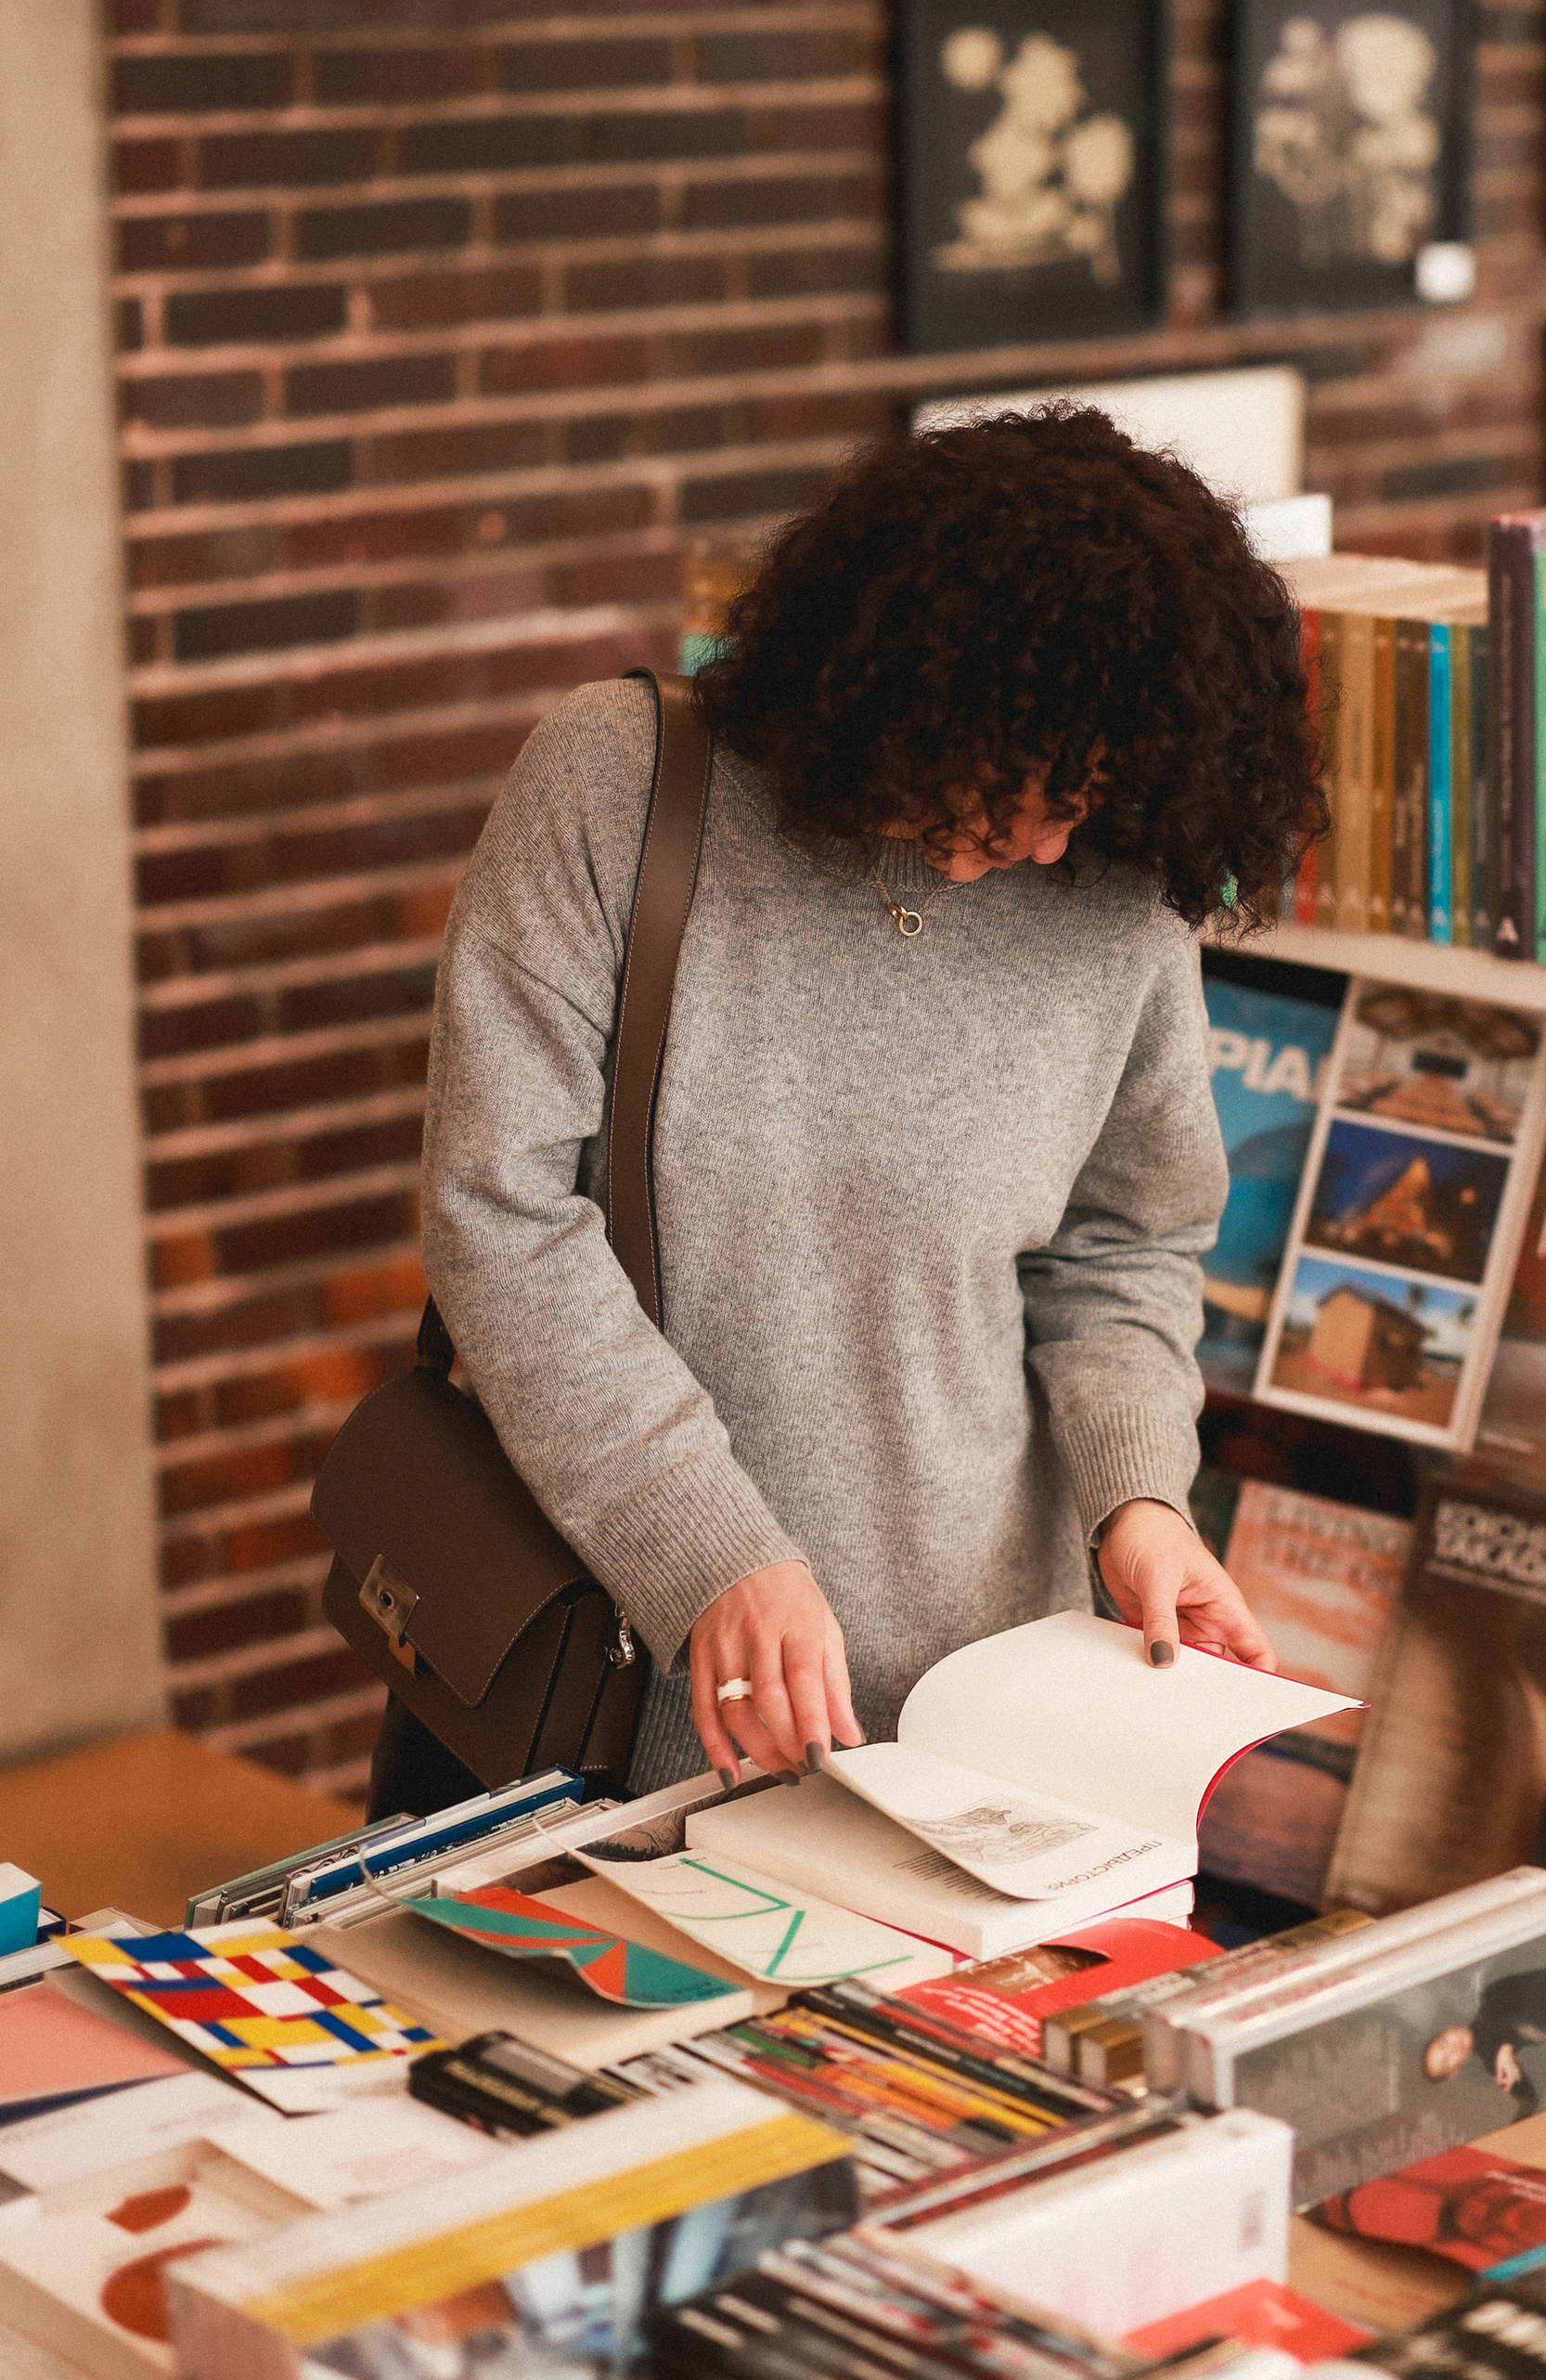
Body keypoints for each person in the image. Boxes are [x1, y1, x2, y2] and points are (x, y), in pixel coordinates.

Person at [378, 407, 1321, 1817]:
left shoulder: (1118, 898)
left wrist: (1141, 1501)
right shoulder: (618, 788)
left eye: (1094, 799)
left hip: (976, 1716)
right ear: (910, 682)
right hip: (616, 1678)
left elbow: (1122, 1252)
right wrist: (713, 1555)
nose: (1049, 844)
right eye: (1022, 781)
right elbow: (502, 1220)